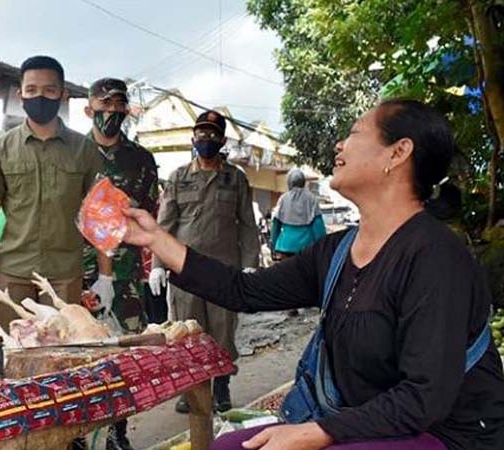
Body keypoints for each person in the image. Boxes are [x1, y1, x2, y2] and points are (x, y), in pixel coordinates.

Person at [122, 99, 504, 450]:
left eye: (354, 133)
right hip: (362, 421)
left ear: (398, 152)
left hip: (441, 432)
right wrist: (155, 239)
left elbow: (424, 397)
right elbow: (244, 291)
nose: (340, 145)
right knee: (227, 447)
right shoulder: (336, 251)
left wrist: (315, 433)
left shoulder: (435, 256)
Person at [0, 55, 101, 333]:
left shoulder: (84, 150)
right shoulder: (1, 149)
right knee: (9, 352)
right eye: (31, 90)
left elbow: (98, 215)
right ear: (21, 94)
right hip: (12, 272)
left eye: (49, 90)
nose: (40, 97)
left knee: (63, 355)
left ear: (62, 95)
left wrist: (107, 276)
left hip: (64, 273)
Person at [149, 110, 260, 414]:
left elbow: (248, 224)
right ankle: (191, 391)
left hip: (225, 269)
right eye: (202, 134)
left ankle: (221, 388)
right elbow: (164, 226)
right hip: (185, 269)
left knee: (222, 329)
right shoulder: (178, 178)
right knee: (187, 330)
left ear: (222, 141)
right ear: (193, 138)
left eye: (213, 135)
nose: (206, 140)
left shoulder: (235, 178)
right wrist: (157, 264)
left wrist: (251, 262)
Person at [80, 77, 159, 450]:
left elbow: (147, 214)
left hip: (125, 273)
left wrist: (154, 262)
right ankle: (78, 433)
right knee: (77, 353)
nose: (110, 111)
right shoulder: (73, 153)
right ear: (89, 108)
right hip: (77, 272)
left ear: (127, 110)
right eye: (103, 104)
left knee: (122, 354)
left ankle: (117, 432)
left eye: (117, 105)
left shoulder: (141, 160)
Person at [271, 168, 327, 259]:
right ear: (303, 182)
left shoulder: (283, 199)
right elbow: (318, 228)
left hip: (285, 246)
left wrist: (273, 246)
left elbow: (275, 225)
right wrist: (323, 249)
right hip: (307, 248)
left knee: (286, 273)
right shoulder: (311, 199)